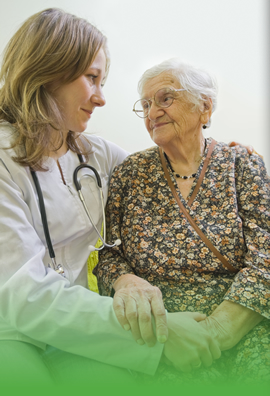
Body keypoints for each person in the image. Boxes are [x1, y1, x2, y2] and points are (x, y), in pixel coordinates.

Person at [0, 9, 227, 385]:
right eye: (92, 78)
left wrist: (221, 157)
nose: (101, 98)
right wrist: (161, 332)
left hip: (78, 331)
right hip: (11, 329)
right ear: (50, 69)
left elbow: (166, 169)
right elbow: (23, 297)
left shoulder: (96, 155)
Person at [94, 59, 270, 383]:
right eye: (145, 104)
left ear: (204, 106)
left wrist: (217, 333)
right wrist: (126, 283)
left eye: (165, 99)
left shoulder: (242, 164)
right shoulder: (130, 173)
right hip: (165, 334)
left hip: (244, 325)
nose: (152, 113)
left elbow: (266, 256)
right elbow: (108, 256)